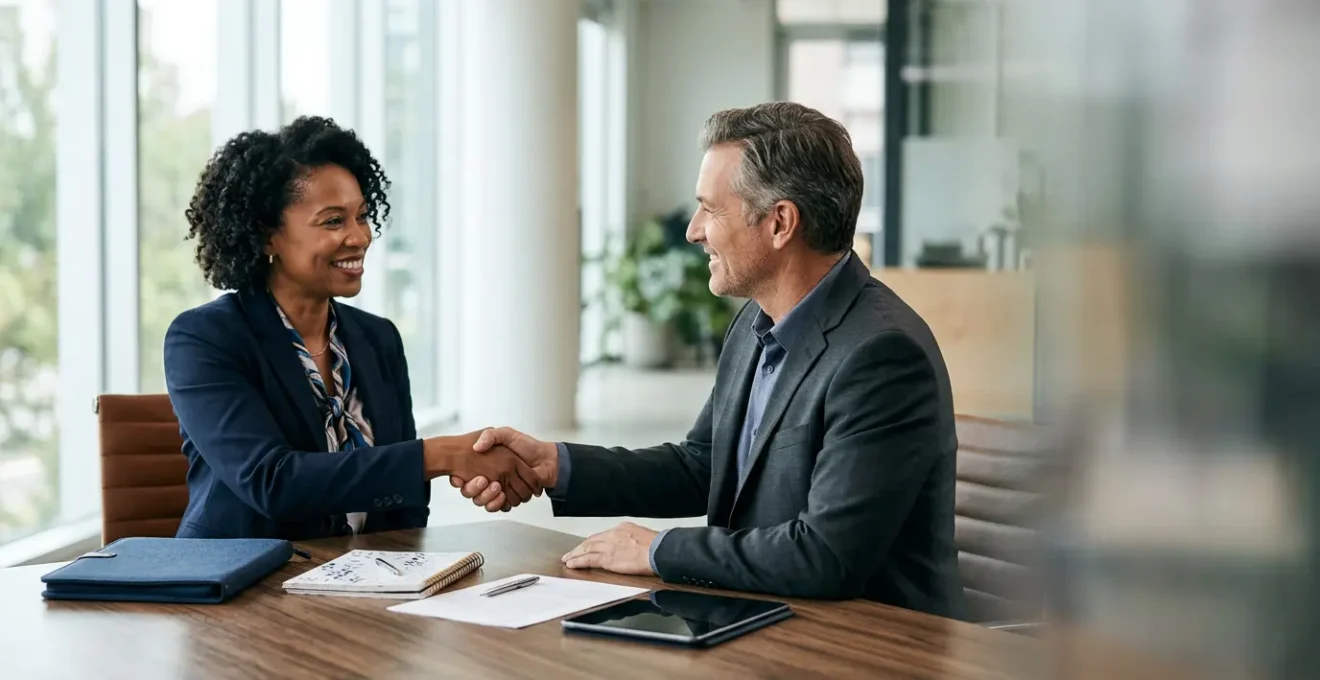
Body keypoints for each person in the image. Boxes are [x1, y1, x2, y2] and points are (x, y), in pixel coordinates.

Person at [454, 102, 963, 618]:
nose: (694, 230)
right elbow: (703, 465)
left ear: (780, 223)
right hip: (763, 616)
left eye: (711, 209)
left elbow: (826, 555)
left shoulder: (881, 355)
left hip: (868, 646)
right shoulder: (755, 322)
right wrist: (555, 466)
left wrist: (656, 549)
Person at [164, 116, 539, 541]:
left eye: (362, 216)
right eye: (333, 221)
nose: (360, 236)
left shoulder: (378, 339)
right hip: (245, 586)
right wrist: (442, 455)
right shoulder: (204, 339)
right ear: (267, 236)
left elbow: (408, 505)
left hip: (366, 584)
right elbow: (272, 482)